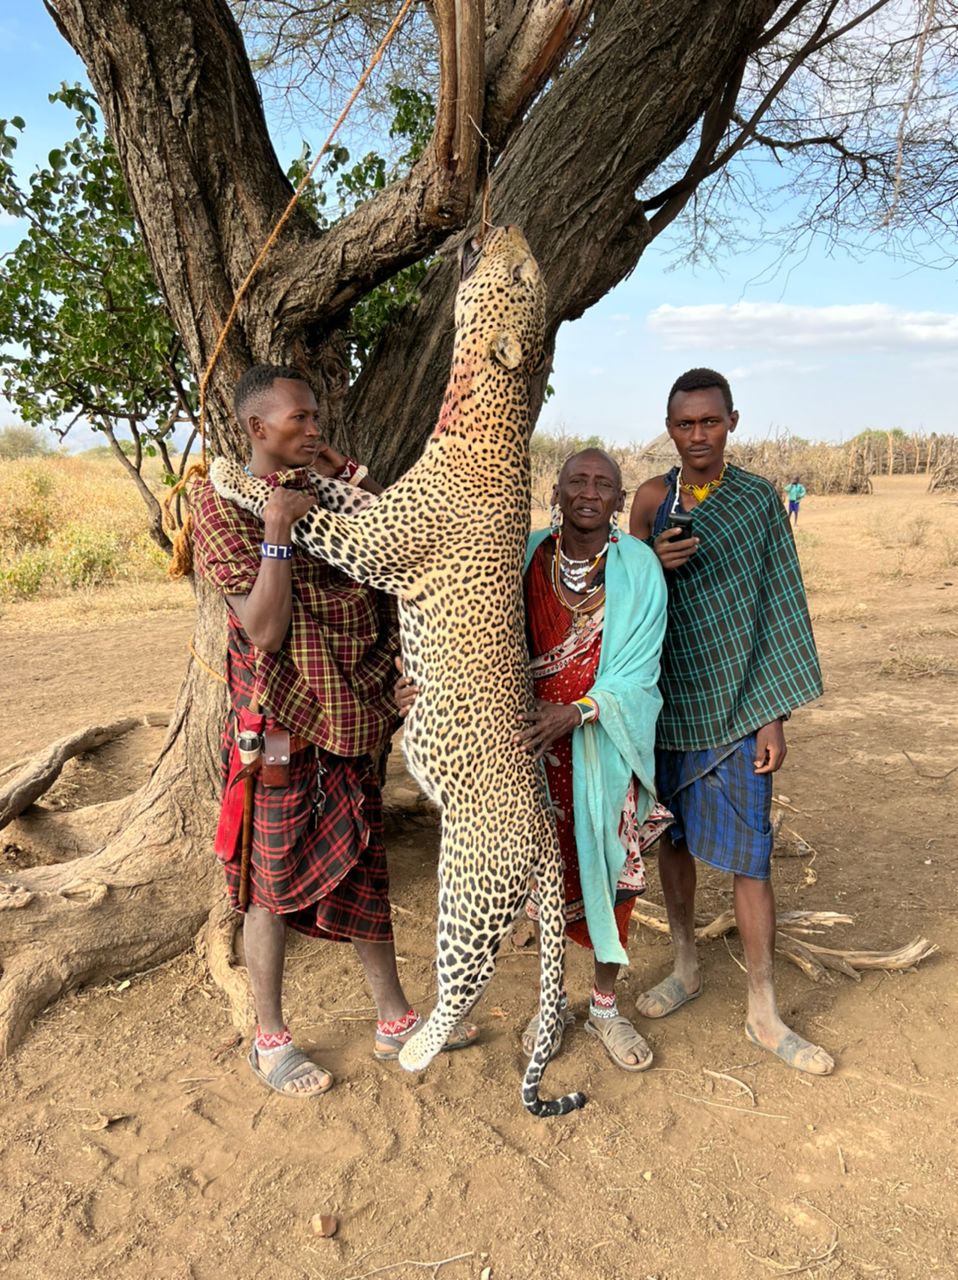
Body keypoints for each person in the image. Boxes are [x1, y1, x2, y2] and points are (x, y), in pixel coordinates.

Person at [192, 363, 477, 1099]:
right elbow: (264, 628)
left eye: (316, 417)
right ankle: (270, 1038)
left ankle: (393, 1019)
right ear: (257, 429)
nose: (313, 429)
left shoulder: (331, 496)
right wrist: (279, 534)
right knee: (269, 884)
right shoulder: (223, 509)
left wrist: (334, 475)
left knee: (362, 867)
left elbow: (393, 546)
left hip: (357, 714)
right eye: (299, 421)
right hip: (280, 724)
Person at [629, 368, 833, 1076]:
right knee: (672, 843)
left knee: (751, 856)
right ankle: (685, 964)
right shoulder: (652, 500)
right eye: (684, 425)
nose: (697, 437)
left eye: (709, 423)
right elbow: (626, 603)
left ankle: (762, 1007)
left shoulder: (756, 502)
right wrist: (653, 562)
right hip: (667, 704)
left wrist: (773, 716)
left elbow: (781, 605)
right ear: (669, 427)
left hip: (742, 704)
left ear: (733, 421)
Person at [516, 449, 668, 1071]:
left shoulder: (640, 569)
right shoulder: (526, 558)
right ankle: (550, 1005)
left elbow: (642, 675)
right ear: (556, 487)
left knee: (614, 875)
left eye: (604, 484)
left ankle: (604, 1004)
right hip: (528, 751)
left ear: (618, 498)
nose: (589, 491)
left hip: (605, 748)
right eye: (577, 479)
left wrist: (576, 712)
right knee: (543, 885)